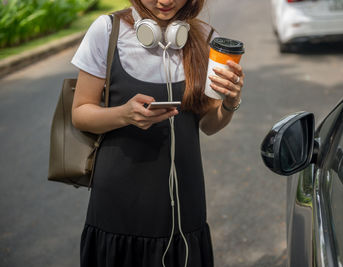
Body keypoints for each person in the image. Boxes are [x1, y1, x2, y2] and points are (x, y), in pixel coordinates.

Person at [70, 0, 244, 266]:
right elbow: (80, 112)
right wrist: (124, 114)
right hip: (117, 207)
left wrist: (230, 102)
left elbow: (209, 125)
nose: (165, 1)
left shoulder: (206, 39)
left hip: (185, 210)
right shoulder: (107, 31)